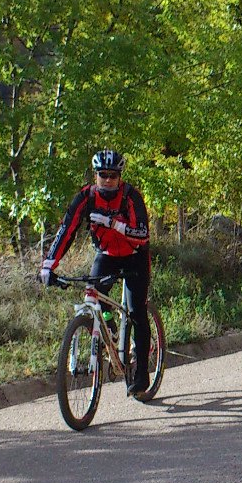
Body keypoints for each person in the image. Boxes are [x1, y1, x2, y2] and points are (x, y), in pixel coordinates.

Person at [41, 150, 154, 396]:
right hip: (107, 256)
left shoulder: (131, 196)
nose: (108, 180)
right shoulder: (86, 197)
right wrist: (49, 264)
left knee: (136, 312)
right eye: (103, 175)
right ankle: (109, 326)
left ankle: (142, 374)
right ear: (96, 175)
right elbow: (66, 230)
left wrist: (113, 223)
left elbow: (143, 233)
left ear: (120, 176)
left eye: (113, 175)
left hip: (135, 256)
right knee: (93, 297)